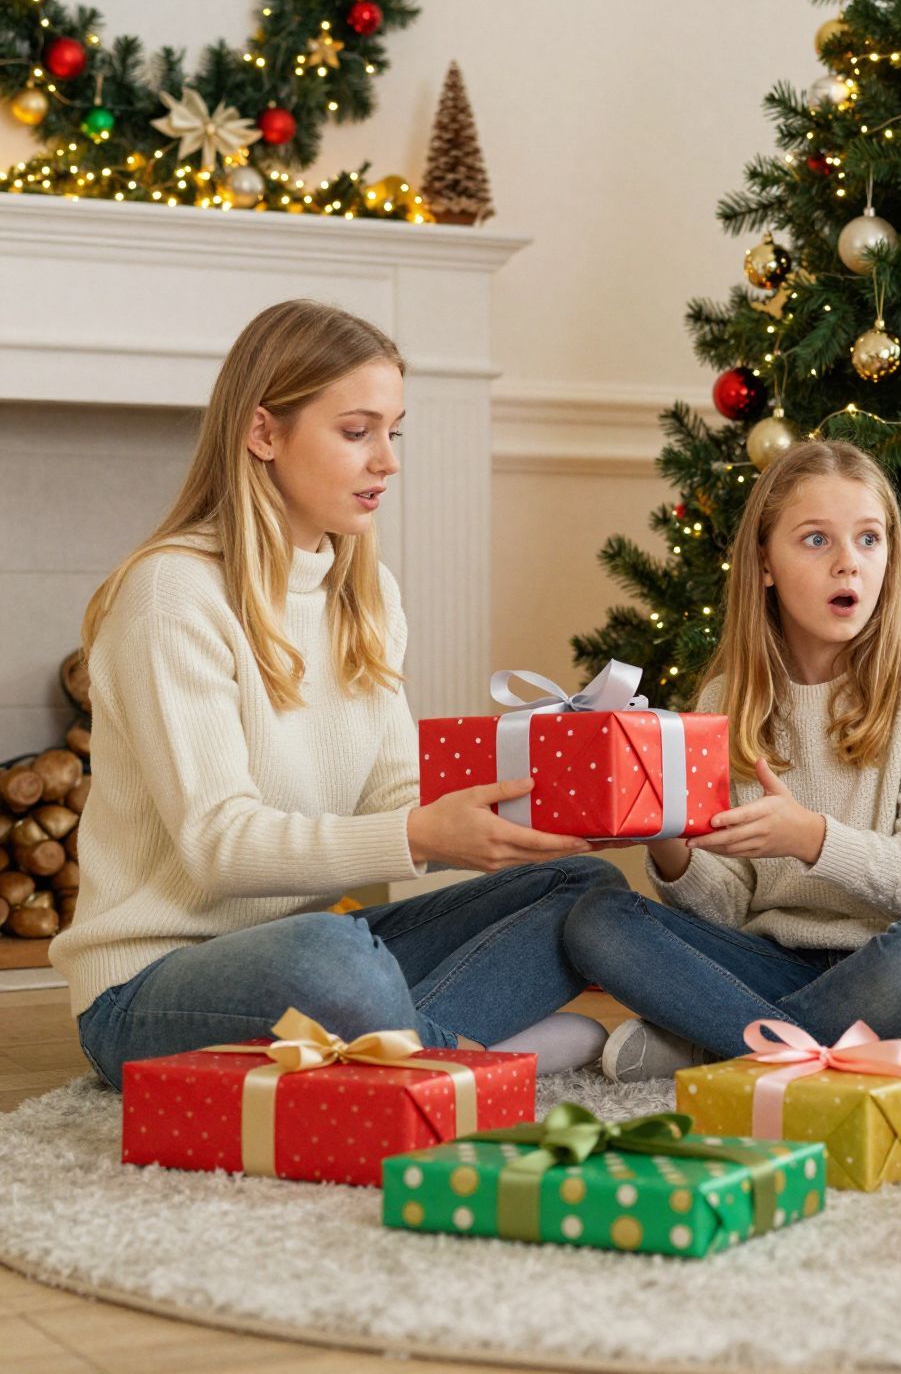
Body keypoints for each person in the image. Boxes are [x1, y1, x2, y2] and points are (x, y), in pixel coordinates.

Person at [58, 299, 625, 1088]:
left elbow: (392, 793)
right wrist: (426, 835)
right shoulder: (173, 593)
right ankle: (465, 1058)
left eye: (394, 432)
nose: (387, 460)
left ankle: (409, 1052)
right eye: (357, 432)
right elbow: (218, 847)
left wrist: (531, 808)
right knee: (330, 959)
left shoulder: (367, 593)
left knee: (579, 890)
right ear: (263, 434)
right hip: (150, 992)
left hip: (307, 958)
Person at [566, 439, 901, 1082]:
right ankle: (802, 1054)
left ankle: (718, 1044)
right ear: (764, 563)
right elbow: (731, 908)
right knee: (598, 917)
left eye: (869, 540)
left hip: (893, 964)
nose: (849, 564)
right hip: (773, 958)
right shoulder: (726, 699)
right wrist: (669, 839)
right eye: (816, 540)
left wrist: (812, 838)